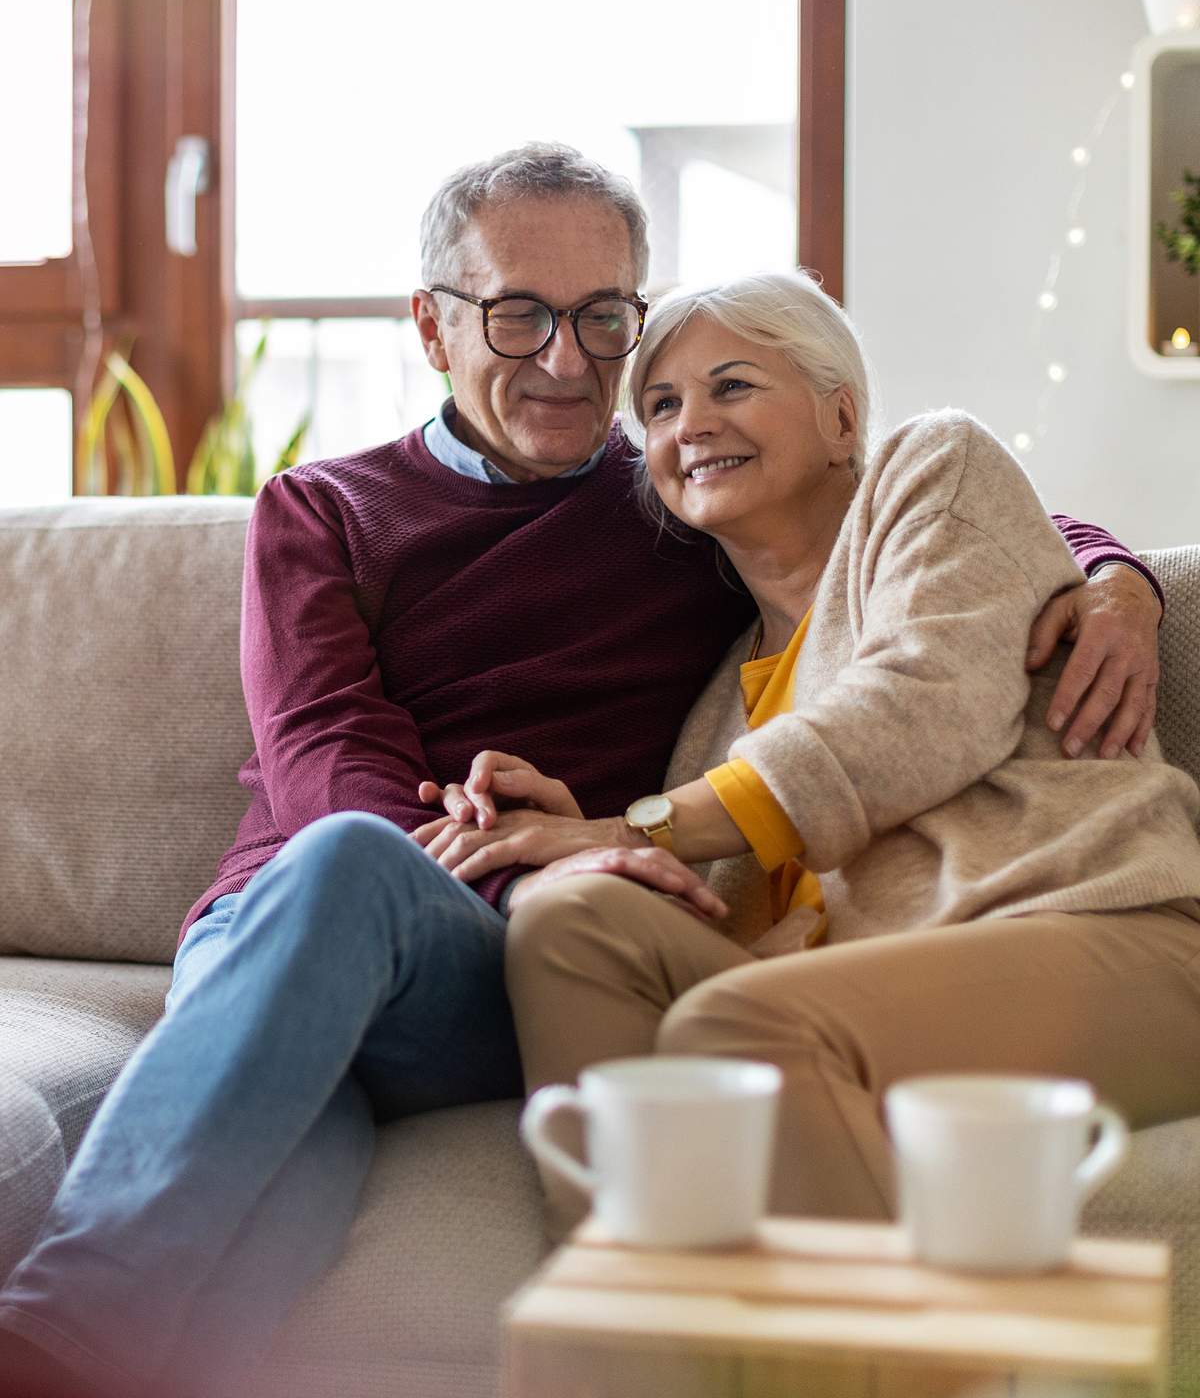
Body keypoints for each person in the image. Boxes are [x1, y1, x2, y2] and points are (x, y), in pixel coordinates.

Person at [0, 153, 1166, 1398]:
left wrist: (1117, 578)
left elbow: (922, 530)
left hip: (522, 953)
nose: (566, 360)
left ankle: (43, 1347)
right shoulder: (327, 508)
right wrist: (519, 863)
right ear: (432, 324)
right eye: (517, 314)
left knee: (368, 994)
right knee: (327, 970)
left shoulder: (676, 491)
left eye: (604, 315)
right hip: (311, 917)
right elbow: (325, 756)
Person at [419, 268, 1200, 1239]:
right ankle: (643, 1316)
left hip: (1104, 934)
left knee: (741, 1031)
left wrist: (629, 824)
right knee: (572, 917)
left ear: (840, 418)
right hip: (872, 993)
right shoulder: (715, 708)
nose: (689, 422)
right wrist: (585, 842)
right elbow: (734, 904)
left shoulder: (933, 473)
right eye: (660, 405)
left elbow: (916, 709)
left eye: (733, 385)